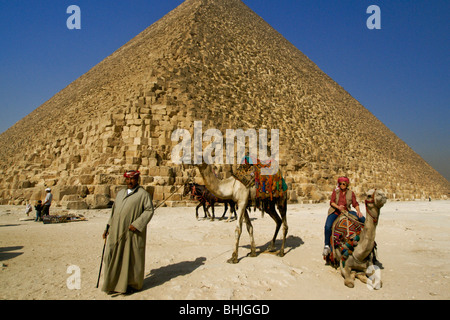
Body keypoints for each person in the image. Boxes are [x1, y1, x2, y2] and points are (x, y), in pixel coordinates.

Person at [101, 170, 155, 294]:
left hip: (131, 233)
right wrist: (108, 227)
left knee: (130, 258)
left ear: (137, 180)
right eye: (127, 179)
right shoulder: (120, 194)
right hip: (116, 231)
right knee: (110, 255)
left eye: (132, 179)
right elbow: (114, 212)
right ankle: (111, 283)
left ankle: (131, 285)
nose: (129, 182)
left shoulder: (143, 195)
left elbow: (149, 211)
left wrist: (137, 224)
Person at [323, 177, 365, 256]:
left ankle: (366, 239)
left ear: (346, 184)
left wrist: (358, 211)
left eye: (343, 184)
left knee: (363, 219)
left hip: (347, 211)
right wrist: (338, 207)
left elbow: (355, 203)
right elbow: (331, 202)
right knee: (327, 226)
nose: (342, 185)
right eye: (340, 183)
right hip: (335, 211)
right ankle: (326, 245)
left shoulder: (350, 193)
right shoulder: (336, 191)